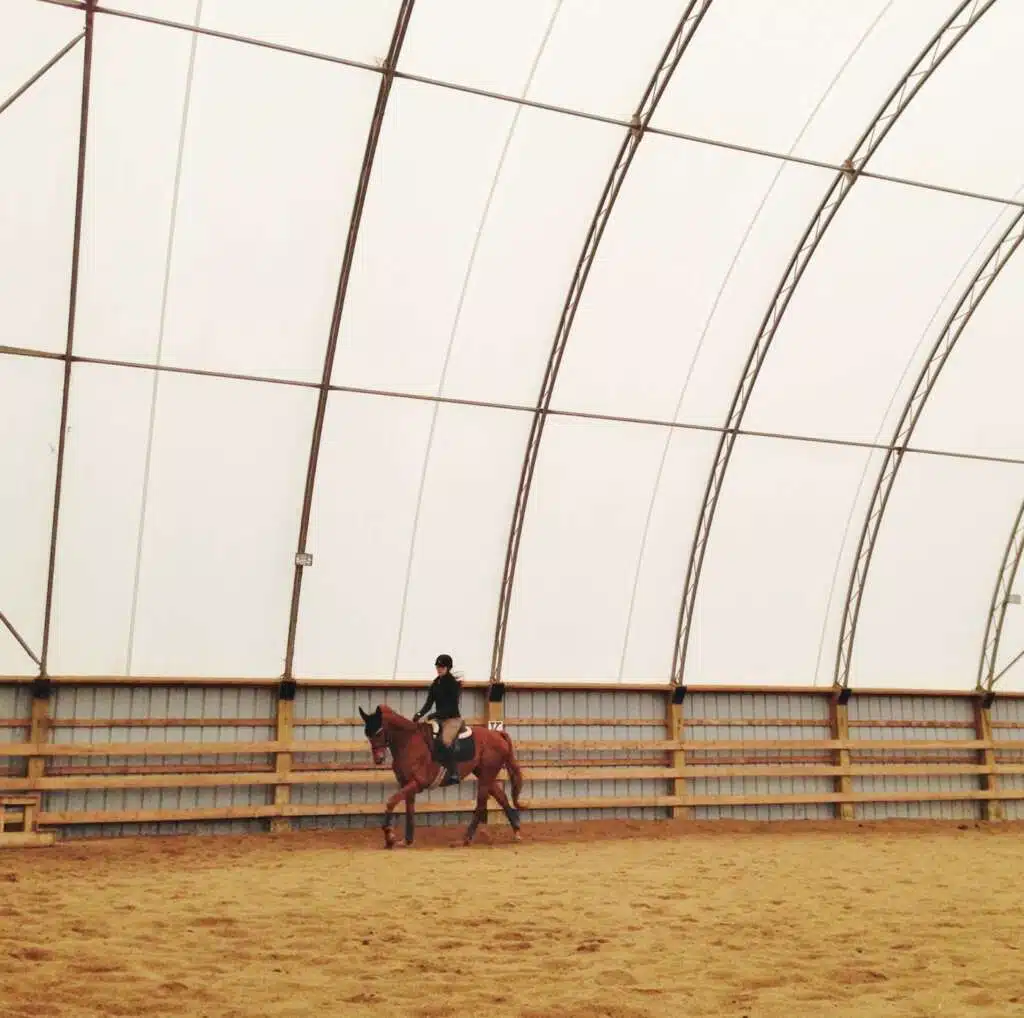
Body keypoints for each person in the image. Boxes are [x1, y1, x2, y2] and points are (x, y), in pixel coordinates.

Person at [413, 654, 464, 785]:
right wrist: (419, 714)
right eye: (437, 667)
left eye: (441, 667)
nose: (439, 669)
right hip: (439, 718)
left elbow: (452, 707)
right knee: (425, 736)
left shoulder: (453, 684)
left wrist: (433, 715)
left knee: (445, 740)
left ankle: (454, 772)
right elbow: (429, 703)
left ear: (448, 668)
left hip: (452, 719)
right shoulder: (436, 683)